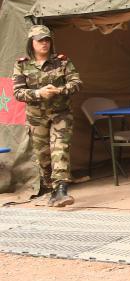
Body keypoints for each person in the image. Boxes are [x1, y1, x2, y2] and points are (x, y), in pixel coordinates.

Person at [13, 24, 82, 207]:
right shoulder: (22, 65)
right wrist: (38, 93)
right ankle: (51, 188)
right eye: (40, 40)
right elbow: (18, 93)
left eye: (47, 40)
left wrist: (60, 90)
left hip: (61, 114)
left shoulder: (62, 62)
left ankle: (61, 190)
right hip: (36, 118)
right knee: (43, 157)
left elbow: (77, 83)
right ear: (32, 43)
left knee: (60, 148)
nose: (44, 43)